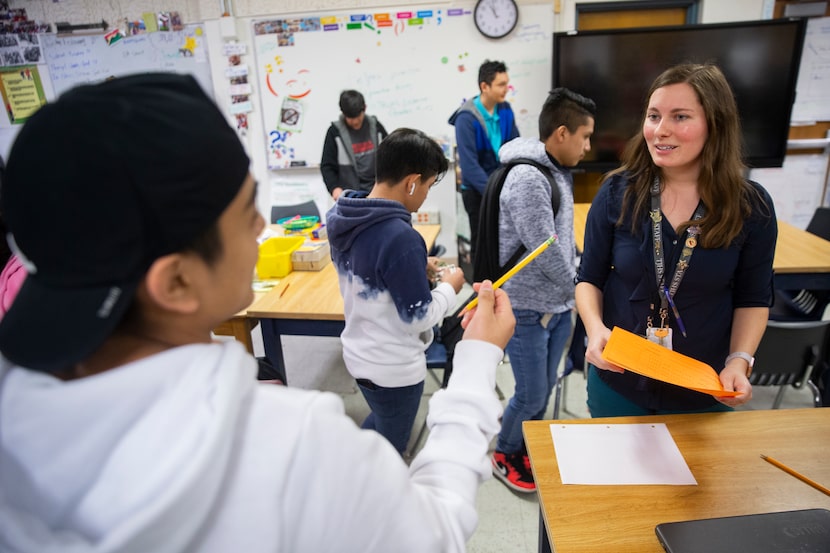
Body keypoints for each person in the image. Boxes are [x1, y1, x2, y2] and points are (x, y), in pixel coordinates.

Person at [0, 73, 518, 552]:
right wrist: (474, 363)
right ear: (176, 281)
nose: (259, 230)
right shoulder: (295, 446)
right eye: (249, 209)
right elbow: (437, 533)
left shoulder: (16, 420)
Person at [575, 63, 777, 418]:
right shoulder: (616, 192)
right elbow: (588, 278)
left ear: (716, 124)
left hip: (703, 386)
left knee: (700, 475)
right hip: (619, 379)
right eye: (654, 116)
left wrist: (738, 361)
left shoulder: (751, 207)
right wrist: (595, 330)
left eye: (680, 116)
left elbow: (753, 297)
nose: (660, 130)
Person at [326, 128, 467, 455]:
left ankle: (363, 452)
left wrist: (417, 268)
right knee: (391, 442)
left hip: (359, 354)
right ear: (412, 182)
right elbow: (419, 317)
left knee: (382, 418)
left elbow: (373, 269)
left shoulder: (343, 216)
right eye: (429, 186)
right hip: (392, 368)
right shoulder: (400, 237)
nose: (427, 195)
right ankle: (372, 483)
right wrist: (450, 287)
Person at [490, 88, 596, 493]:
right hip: (529, 307)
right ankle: (505, 451)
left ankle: (520, 439)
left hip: (556, 303)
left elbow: (561, 238)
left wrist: (574, 285)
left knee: (544, 386)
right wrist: (579, 287)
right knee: (532, 392)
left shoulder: (555, 172)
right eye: (585, 137)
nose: (588, 147)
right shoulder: (529, 178)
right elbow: (544, 249)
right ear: (562, 133)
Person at [449, 60, 520, 263]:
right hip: (477, 192)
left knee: (503, 244)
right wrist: (497, 193)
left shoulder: (505, 109)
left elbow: (515, 148)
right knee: (481, 244)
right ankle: (480, 290)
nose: (506, 89)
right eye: (501, 84)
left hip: (500, 189)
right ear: (484, 86)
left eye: (507, 83)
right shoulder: (466, 118)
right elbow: (470, 168)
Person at [320, 89, 388, 201]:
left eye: (358, 117)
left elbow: (392, 155)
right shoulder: (334, 133)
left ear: (364, 108)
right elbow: (327, 166)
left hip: (377, 192)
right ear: (343, 113)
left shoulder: (376, 127)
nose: (355, 122)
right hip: (350, 196)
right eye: (350, 118)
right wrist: (334, 188)